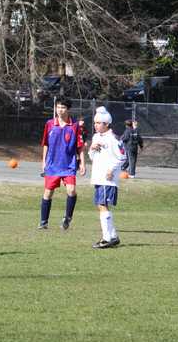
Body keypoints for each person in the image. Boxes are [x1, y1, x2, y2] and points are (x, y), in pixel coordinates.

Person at [39, 99, 86, 230]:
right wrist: (43, 161)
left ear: (68, 109)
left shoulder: (75, 126)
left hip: (69, 165)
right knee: (48, 193)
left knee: (71, 190)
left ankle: (68, 218)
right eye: (58, 107)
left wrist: (82, 163)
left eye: (63, 107)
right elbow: (45, 144)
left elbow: (80, 146)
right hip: (52, 165)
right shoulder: (49, 124)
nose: (60, 110)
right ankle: (43, 222)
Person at [88, 106, 126, 248]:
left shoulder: (113, 139)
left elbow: (122, 157)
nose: (96, 125)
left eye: (99, 123)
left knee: (102, 205)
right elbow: (92, 157)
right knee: (101, 205)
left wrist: (111, 170)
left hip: (107, 179)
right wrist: (92, 149)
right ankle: (113, 236)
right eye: (95, 123)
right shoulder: (96, 137)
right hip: (97, 177)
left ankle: (106, 238)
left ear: (107, 124)